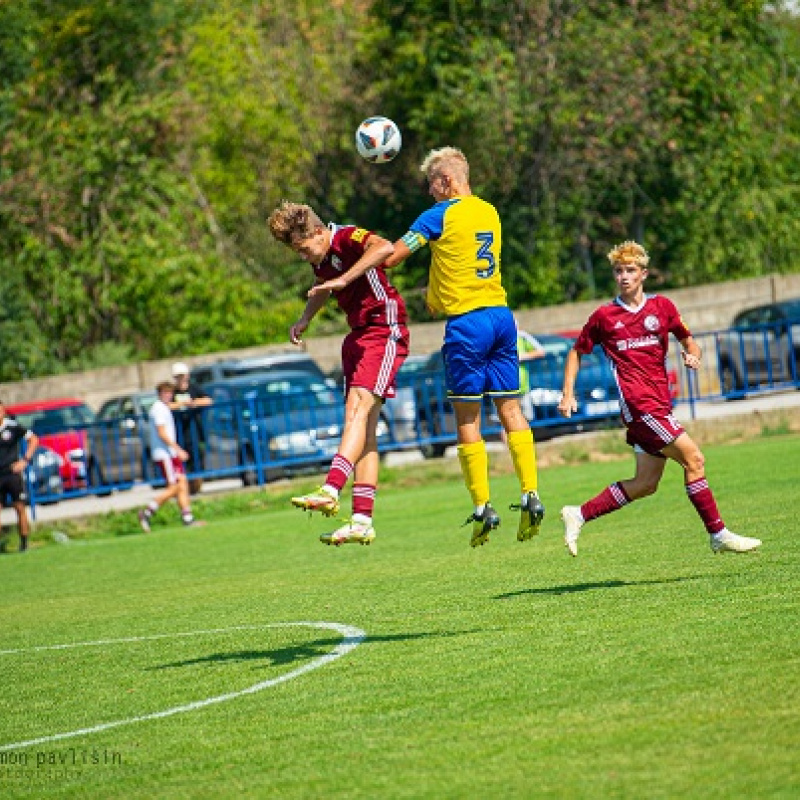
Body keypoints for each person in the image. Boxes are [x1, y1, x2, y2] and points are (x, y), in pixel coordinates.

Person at [383, 146, 545, 547]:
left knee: (467, 420)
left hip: (467, 324)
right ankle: (530, 493)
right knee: (511, 409)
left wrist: (360, 257)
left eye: (432, 184)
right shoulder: (489, 210)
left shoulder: (439, 214)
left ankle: (482, 506)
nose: (430, 192)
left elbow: (393, 257)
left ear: (448, 181)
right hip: (501, 317)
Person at [556, 240, 762, 557]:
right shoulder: (605, 317)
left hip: (659, 404)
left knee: (645, 483)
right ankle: (717, 533)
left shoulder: (662, 308)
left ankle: (579, 513)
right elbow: (576, 351)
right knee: (694, 460)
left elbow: (689, 341)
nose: (623, 276)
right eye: (618, 271)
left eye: (630, 270)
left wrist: (693, 355)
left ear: (643, 274)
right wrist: (567, 393)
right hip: (640, 407)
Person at [267, 200, 409, 546]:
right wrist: (304, 318)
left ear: (318, 232)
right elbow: (322, 287)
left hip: (383, 328)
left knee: (356, 411)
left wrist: (345, 278)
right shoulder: (323, 259)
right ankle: (361, 520)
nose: (303, 256)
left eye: (303, 248)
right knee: (366, 431)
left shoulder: (346, 238)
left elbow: (385, 247)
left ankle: (331, 488)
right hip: (358, 336)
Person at [138, 381, 200, 532]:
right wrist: (178, 449)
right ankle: (147, 511)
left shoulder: (164, 407)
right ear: (160, 394)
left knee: (183, 483)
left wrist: (186, 402)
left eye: (170, 393)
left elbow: (173, 406)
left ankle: (188, 518)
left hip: (170, 453)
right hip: (164, 454)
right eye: (165, 393)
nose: (168, 395)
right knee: (174, 487)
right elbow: (162, 433)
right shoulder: (158, 409)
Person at [0, 400, 38, 553]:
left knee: (19, 507)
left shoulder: (13, 426)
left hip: (12, 474)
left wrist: (25, 460)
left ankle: (24, 543)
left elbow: (34, 439)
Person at [169, 362, 212, 495]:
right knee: (182, 463)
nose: (181, 379)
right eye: (178, 376)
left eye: (183, 376)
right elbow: (167, 405)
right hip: (179, 432)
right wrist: (181, 403)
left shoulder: (194, 389)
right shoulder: (172, 392)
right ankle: (185, 489)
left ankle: (196, 487)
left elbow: (208, 400)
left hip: (194, 431)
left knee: (197, 460)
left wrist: (193, 403)